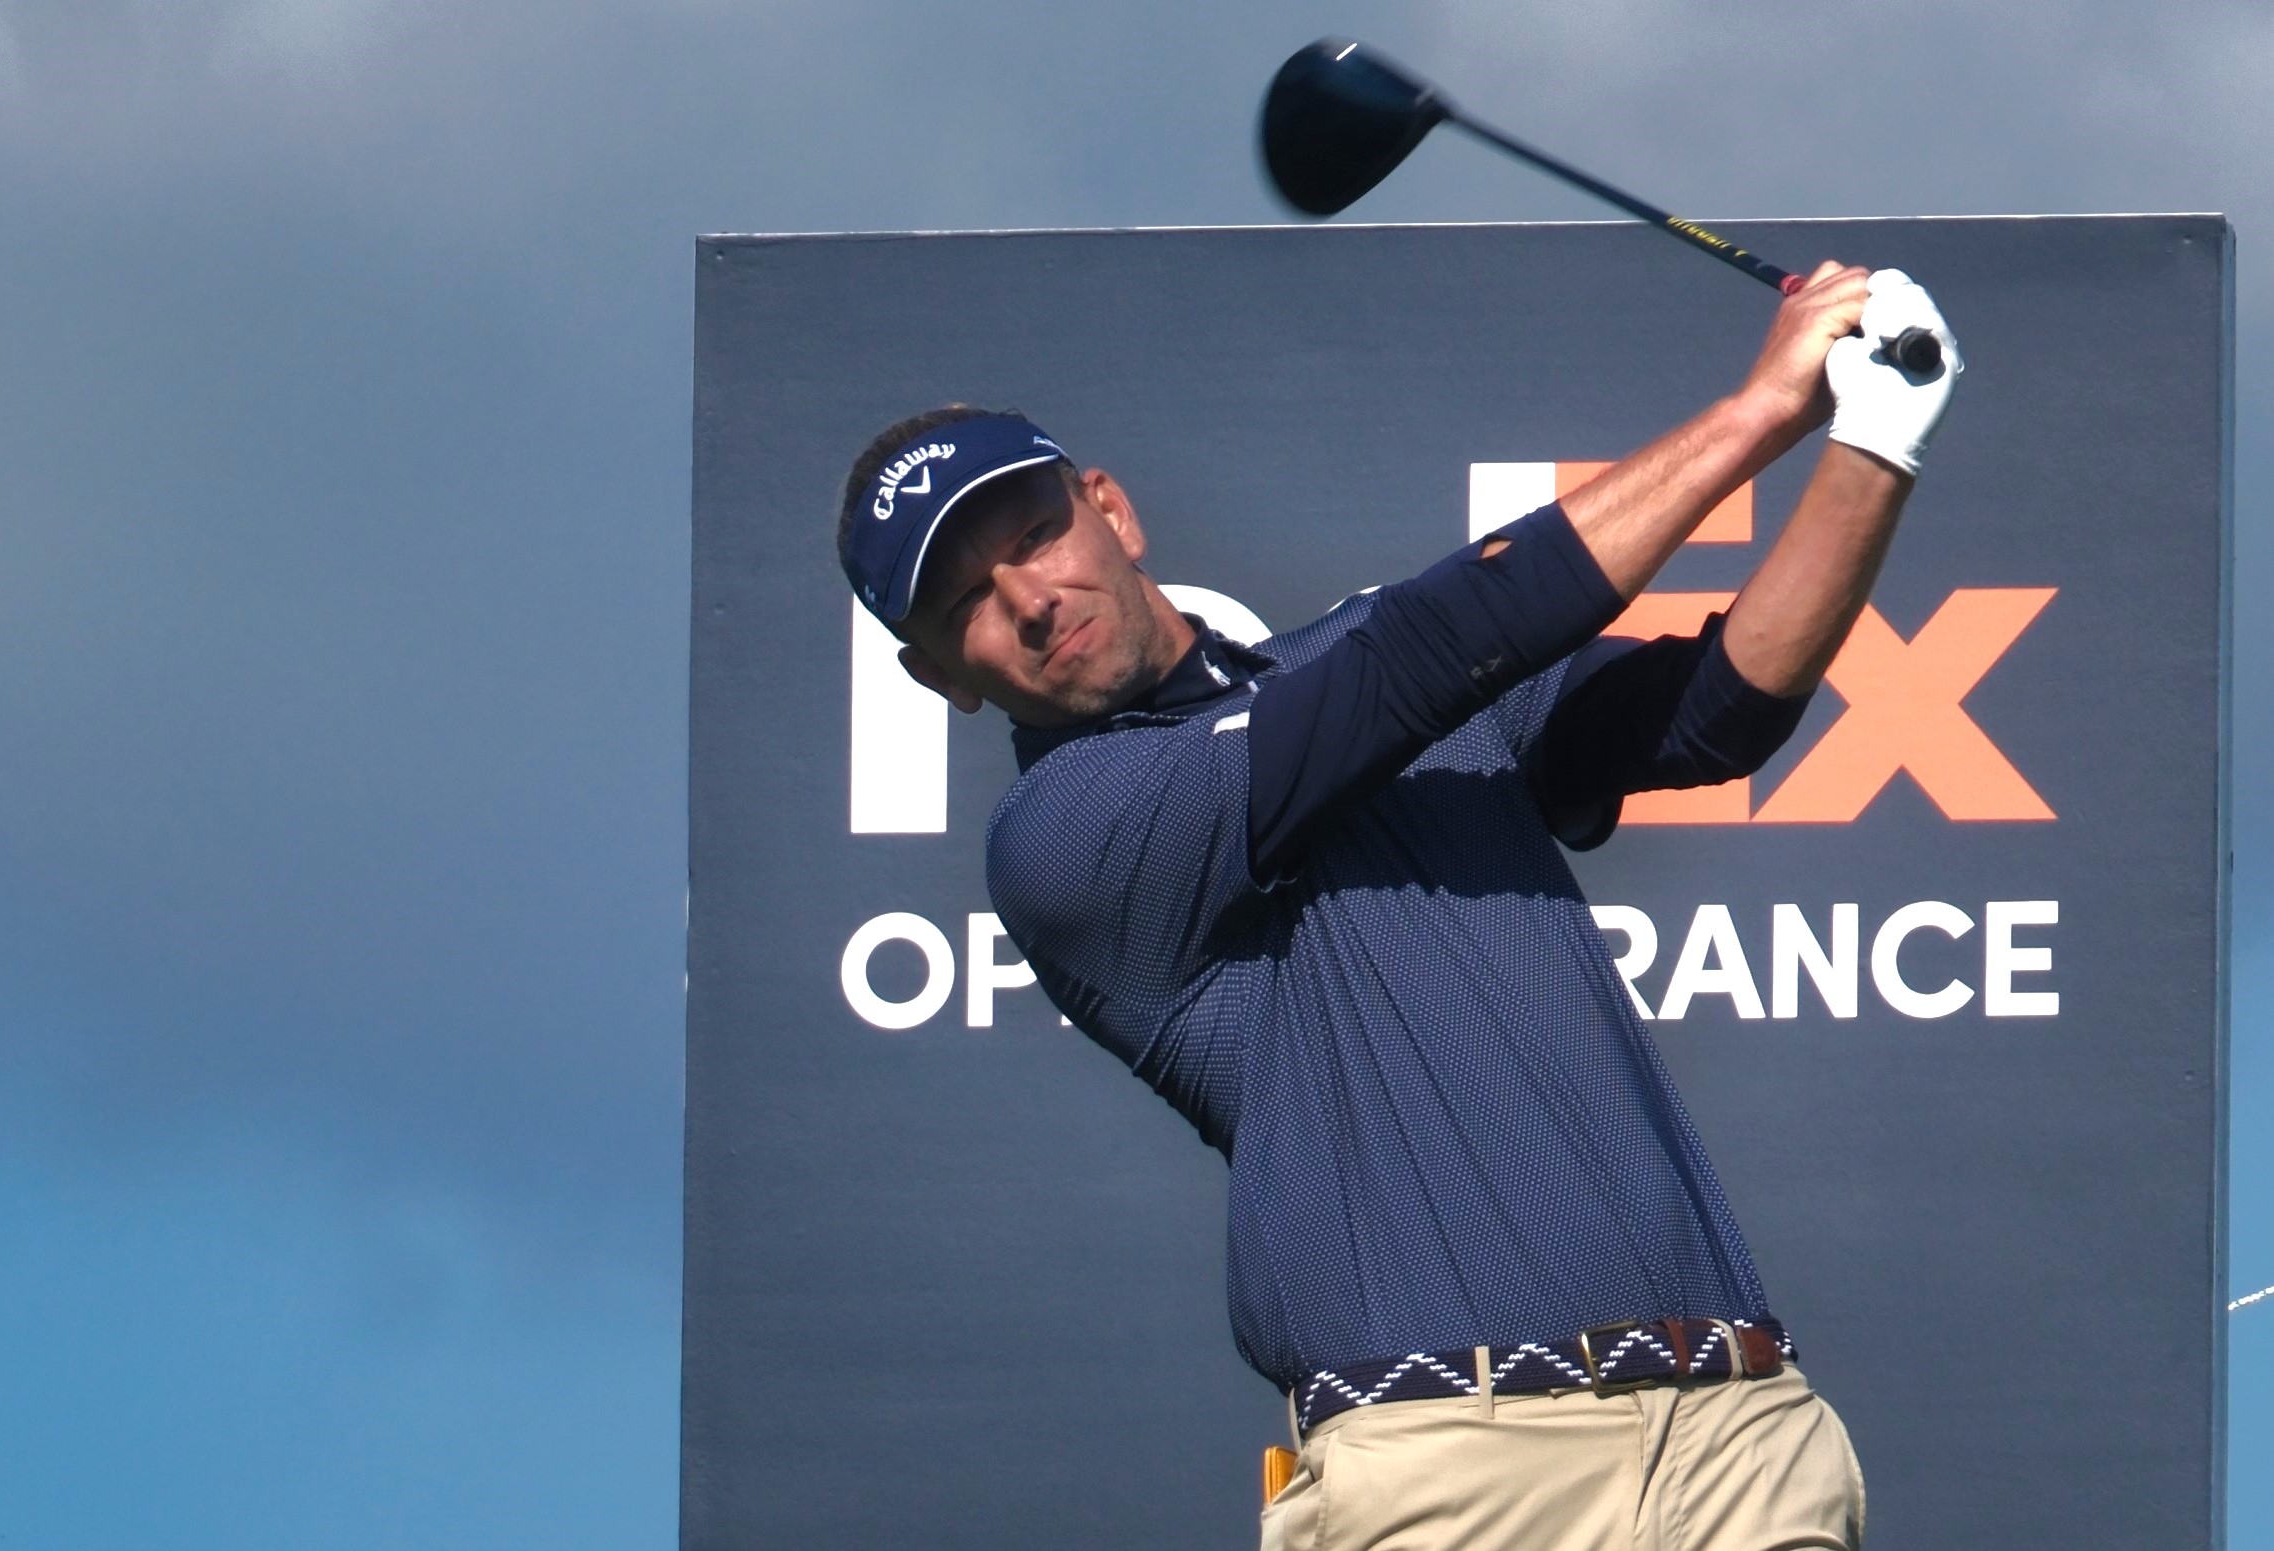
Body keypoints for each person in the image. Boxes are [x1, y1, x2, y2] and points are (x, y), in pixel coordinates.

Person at [832, 262, 1960, 1550]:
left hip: (1735, 1437)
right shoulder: (1063, 837)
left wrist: (1875, 437)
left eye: (1032, 535)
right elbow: (1417, 657)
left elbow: (1714, 713)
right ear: (940, 681)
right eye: (966, 601)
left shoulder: (1358, 668)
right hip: (1447, 1475)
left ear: (1110, 511)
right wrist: (1764, 410)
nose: (1029, 601)